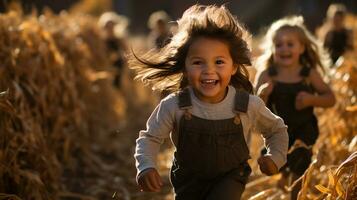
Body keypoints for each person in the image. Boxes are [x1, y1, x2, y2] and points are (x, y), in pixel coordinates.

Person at [131, 4, 288, 200]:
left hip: (230, 177)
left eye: (219, 62)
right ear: (185, 68)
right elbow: (149, 138)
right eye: (198, 62)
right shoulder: (175, 105)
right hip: (188, 181)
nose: (208, 70)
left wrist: (275, 157)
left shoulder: (246, 104)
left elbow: (277, 130)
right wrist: (146, 166)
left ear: (234, 67)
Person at [255, 16, 336, 200]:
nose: (284, 49)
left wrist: (310, 99)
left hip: (303, 130)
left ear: (302, 48)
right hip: (277, 130)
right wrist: (264, 93)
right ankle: (279, 172)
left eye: (290, 44)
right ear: (272, 49)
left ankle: (295, 195)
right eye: (279, 45)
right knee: (277, 164)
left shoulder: (309, 74)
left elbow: (330, 98)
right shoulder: (268, 74)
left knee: (300, 163)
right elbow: (255, 105)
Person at [98, 11, 129, 87]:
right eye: (107, 26)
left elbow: (126, 51)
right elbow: (101, 53)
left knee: (117, 85)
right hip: (106, 66)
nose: (110, 28)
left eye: (111, 26)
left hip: (118, 65)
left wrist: (123, 58)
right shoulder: (102, 40)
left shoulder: (118, 39)